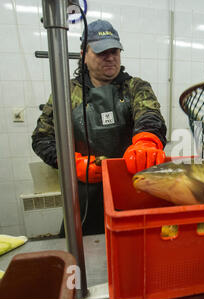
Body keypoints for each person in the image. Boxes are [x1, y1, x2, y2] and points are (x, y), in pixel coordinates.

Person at [32, 20, 167, 236]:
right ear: (84, 54)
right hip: (84, 198)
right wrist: (71, 163)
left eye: (114, 51)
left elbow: (150, 115)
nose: (110, 57)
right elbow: (42, 138)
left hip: (132, 189)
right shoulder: (66, 92)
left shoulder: (135, 87)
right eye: (102, 52)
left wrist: (146, 141)